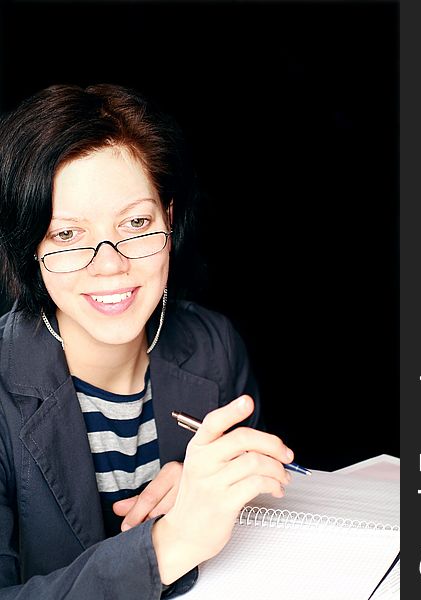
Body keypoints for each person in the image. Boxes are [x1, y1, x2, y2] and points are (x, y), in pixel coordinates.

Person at [0, 84, 294, 599]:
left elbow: (271, 508)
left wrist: (223, 497)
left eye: (136, 223)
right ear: (31, 249)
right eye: (68, 235)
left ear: (169, 220)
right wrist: (169, 542)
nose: (110, 265)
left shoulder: (213, 346)